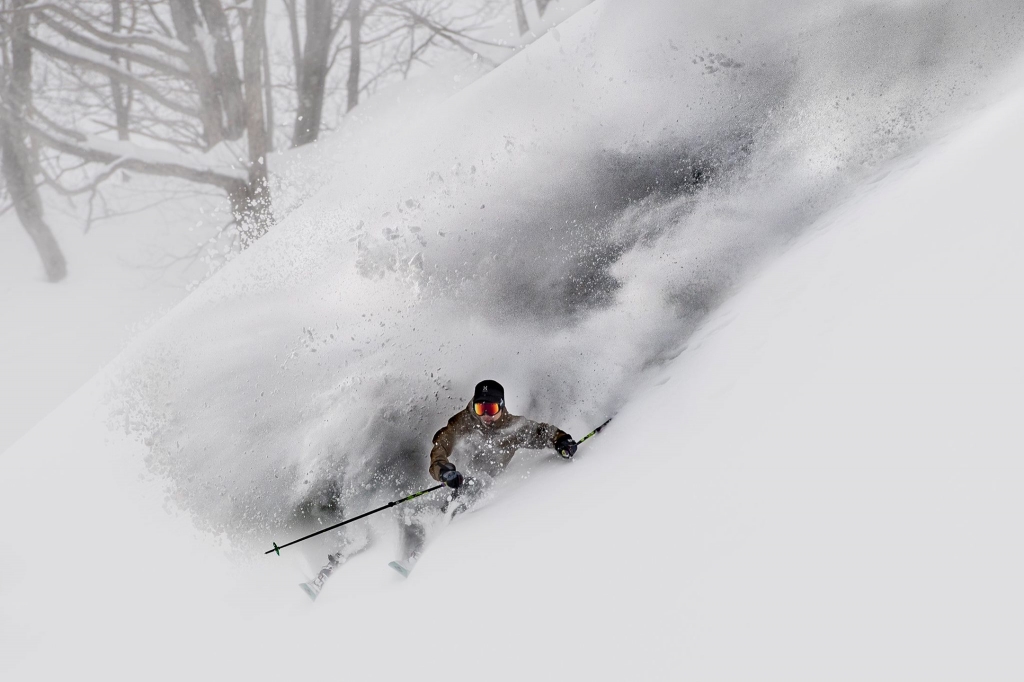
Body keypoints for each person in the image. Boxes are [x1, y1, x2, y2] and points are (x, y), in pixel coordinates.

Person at [395, 379, 576, 571]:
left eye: (490, 408)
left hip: (486, 485)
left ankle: (426, 553)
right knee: (451, 504)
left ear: (502, 406)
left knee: (464, 499)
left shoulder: (513, 428)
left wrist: (561, 440)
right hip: (457, 480)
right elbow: (440, 446)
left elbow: (541, 433)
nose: (486, 416)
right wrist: (445, 471)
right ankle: (417, 553)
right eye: (480, 409)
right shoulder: (463, 423)